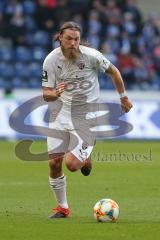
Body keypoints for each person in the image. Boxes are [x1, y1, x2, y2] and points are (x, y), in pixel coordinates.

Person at [42, 21, 133, 218]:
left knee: (72, 165)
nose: (73, 42)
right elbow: (46, 94)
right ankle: (62, 208)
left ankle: (85, 152)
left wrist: (123, 96)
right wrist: (55, 94)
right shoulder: (51, 60)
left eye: (76, 39)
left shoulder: (92, 56)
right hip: (60, 113)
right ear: (60, 38)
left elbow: (114, 71)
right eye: (69, 38)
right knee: (54, 164)